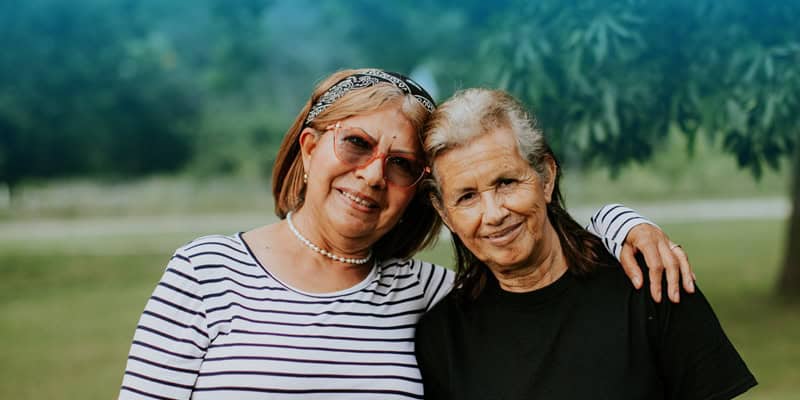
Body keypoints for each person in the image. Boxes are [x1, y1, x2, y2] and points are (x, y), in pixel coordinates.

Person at [119, 69, 693, 400]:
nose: (372, 175)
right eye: (357, 144)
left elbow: (523, 236)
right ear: (310, 145)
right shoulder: (204, 272)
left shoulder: (424, 294)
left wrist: (621, 223)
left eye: (400, 164)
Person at [414, 88, 757, 399]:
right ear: (445, 213)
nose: (493, 214)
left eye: (505, 182)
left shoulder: (652, 283)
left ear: (545, 178)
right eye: (467, 197)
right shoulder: (442, 338)